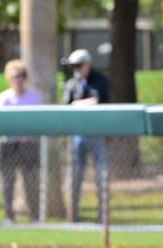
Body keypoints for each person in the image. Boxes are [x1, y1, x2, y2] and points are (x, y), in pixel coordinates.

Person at [62, 49, 109, 223]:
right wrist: (81, 103)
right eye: (74, 66)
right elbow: (66, 105)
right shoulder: (71, 84)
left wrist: (77, 103)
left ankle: (103, 217)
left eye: (79, 65)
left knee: (101, 176)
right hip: (77, 135)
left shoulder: (100, 80)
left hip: (97, 134)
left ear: (88, 64)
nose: (76, 69)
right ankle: (72, 217)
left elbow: (97, 100)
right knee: (74, 177)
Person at [0, 59, 41, 224]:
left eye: (20, 76)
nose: (17, 79)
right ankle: (8, 216)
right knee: (8, 182)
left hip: (28, 144)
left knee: (31, 182)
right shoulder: (4, 98)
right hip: (9, 145)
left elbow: (37, 121)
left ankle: (34, 216)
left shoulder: (33, 97)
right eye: (14, 76)